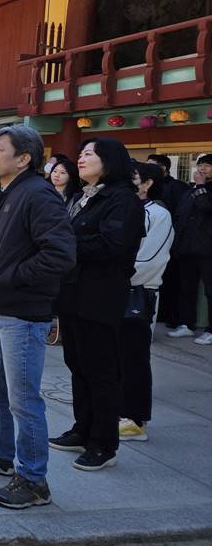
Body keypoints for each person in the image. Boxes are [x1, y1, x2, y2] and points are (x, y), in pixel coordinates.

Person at [0, 125, 75, 510]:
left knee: (23, 398)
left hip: (24, 313)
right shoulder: (6, 192)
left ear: (24, 158)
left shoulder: (38, 194)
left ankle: (33, 479)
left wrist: (9, 277)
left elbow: (60, 254)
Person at [51, 138, 145, 471]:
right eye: (81, 153)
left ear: (110, 160)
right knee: (78, 364)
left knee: (101, 370)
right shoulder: (83, 197)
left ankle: (104, 443)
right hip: (73, 292)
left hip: (100, 295)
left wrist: (65, 243)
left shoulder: (123, 200)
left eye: (89, 154)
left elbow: (111, 245)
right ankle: (83, 429)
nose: (81, 158)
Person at [118, 162, 174, 442]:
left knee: (134, 358)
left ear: (148, 183)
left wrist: (111, 275)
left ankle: (135, 419)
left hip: (138, 293)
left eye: (134, 177)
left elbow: (150, 260)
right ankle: (118, 412)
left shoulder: (158, 214)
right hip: (114, 290)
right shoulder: (128, 209)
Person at [167, 153, 212, 343]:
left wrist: (201, 187)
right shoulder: (190, 190)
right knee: (187, 287)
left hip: (208, 248)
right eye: (200, 165)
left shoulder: (202, 189)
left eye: (207, 165)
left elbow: (206, 207)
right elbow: (181, 216)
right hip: (187, 246)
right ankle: (186, 324)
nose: (202, 169)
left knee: (210, 289)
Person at [147, 154, 187, 332]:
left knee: (172, 281)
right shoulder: (148, 186)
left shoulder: (177, 187)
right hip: (150, 240)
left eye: (151, 165)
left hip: (171, 240)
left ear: (163, 168)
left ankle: (173, 316)